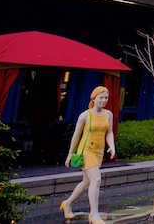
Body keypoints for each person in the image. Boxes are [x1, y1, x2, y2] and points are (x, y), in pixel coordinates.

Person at [61, 86, 116, 224]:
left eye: (106, 98)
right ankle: (94, 214)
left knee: (87, 182)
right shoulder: (85, 115)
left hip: (99, 151)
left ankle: (67, 203)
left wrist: (112, 146)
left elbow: (109, 132)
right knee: (96, 180)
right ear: (94, 98)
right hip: (86, 151)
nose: (104, 100)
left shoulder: (108, 114)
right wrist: (70, 154)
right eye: (101, 98)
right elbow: (76, 135)